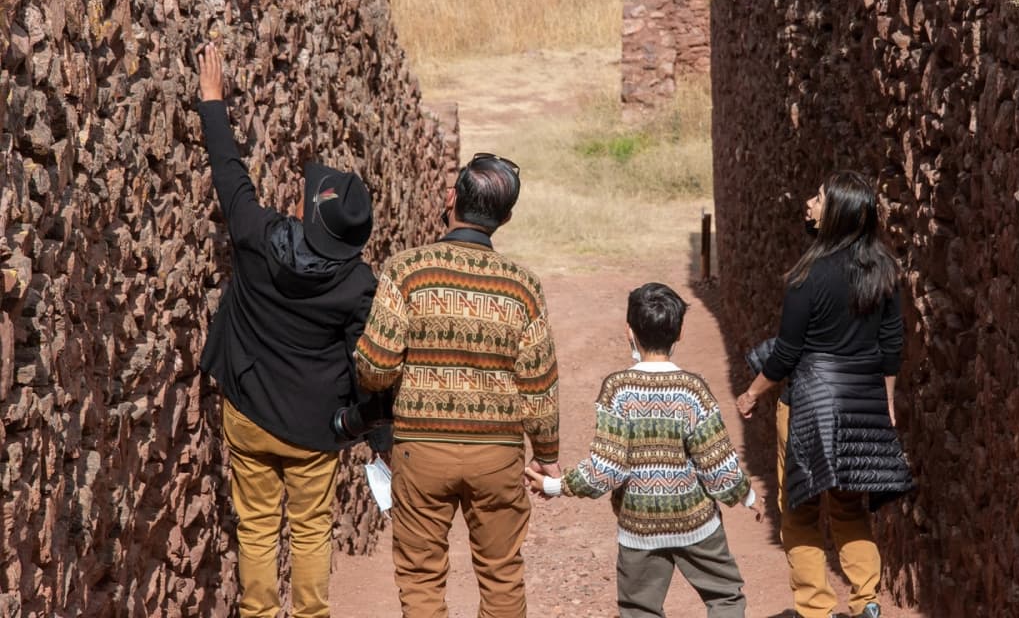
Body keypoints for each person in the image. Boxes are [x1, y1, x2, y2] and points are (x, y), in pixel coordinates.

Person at [194, 44, 380, 618]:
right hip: (314, 427)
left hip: (248, 411)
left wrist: (211, 102)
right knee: (310, 531)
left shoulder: (257, 237)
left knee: (255, 530)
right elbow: (366, 364)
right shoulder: (358, 286)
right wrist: (369, 426)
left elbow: (231, 177)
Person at [354, 152, 560, 618]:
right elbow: (539, 384)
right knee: (502, 573)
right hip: (497, 456)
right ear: (505, 218)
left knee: (421, 577)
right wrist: (546, 455)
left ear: (451, 198)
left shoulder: (407, 271)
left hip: (421, 452)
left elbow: (375, 369)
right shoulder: (522, 286)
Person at [525, 282, 764, 618]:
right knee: (725, 597)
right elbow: (716, 462)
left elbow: (607, 469)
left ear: (628, 331)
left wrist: (555, 485)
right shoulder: (693, 389)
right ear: (679, 334)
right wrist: (747, 496)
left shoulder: (617, 389)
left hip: (638, 527)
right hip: (696, 523)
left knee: (639, 608)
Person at [735, 171, 913, 618]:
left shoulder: (807, 276)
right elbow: (891, 344)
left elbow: (788, 353)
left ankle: (815, 608)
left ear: (836, 212)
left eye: (817, 198)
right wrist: (887, 397)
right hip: (862, 400)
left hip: (811, 403)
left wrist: (753, 393)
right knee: (851, 506)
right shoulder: (885, 270)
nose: (808, 203)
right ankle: (867, 600)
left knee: (798, 508)